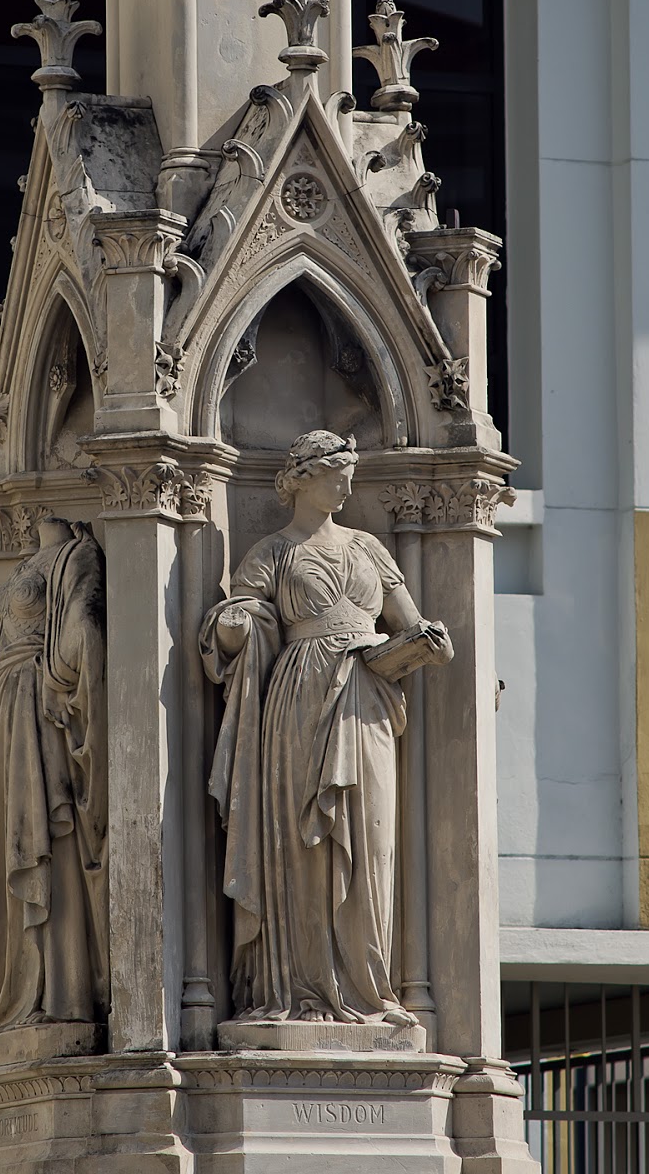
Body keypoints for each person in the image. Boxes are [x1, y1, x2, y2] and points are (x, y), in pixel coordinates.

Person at [200, 430, 453, 1026]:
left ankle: (371, 992)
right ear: (303, 479)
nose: (346, 488)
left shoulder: (369, 548)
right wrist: (235, 623)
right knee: (304, 848)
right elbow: (235, 625)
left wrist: (428, 641)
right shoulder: (272, 552)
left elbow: (408, 622)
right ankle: (305, 990)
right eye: (337, 477)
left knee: (371, 842)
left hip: (367, 699)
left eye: (349, 477)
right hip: (298, 698)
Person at [0, 517, 108, 1043]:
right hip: (3, 716)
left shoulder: (75, 555)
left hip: (36, 709)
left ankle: (59, 991)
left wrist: (63, 684)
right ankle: (15, 994)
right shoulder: (22, 563)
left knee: (44, 838)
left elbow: (82, 635)